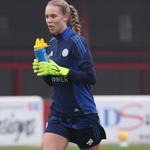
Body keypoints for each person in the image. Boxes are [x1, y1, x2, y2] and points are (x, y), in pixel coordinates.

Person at [32, 0, 106, 150]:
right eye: (47, 16)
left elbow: (91, 77)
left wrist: (60, 70)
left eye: (53, 16)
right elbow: (51, 82)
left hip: (83, 114)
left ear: (66, 17)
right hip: (58, 114)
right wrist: (44, 70)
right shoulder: (51, 44)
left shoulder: (77, 41)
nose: (49, 20)